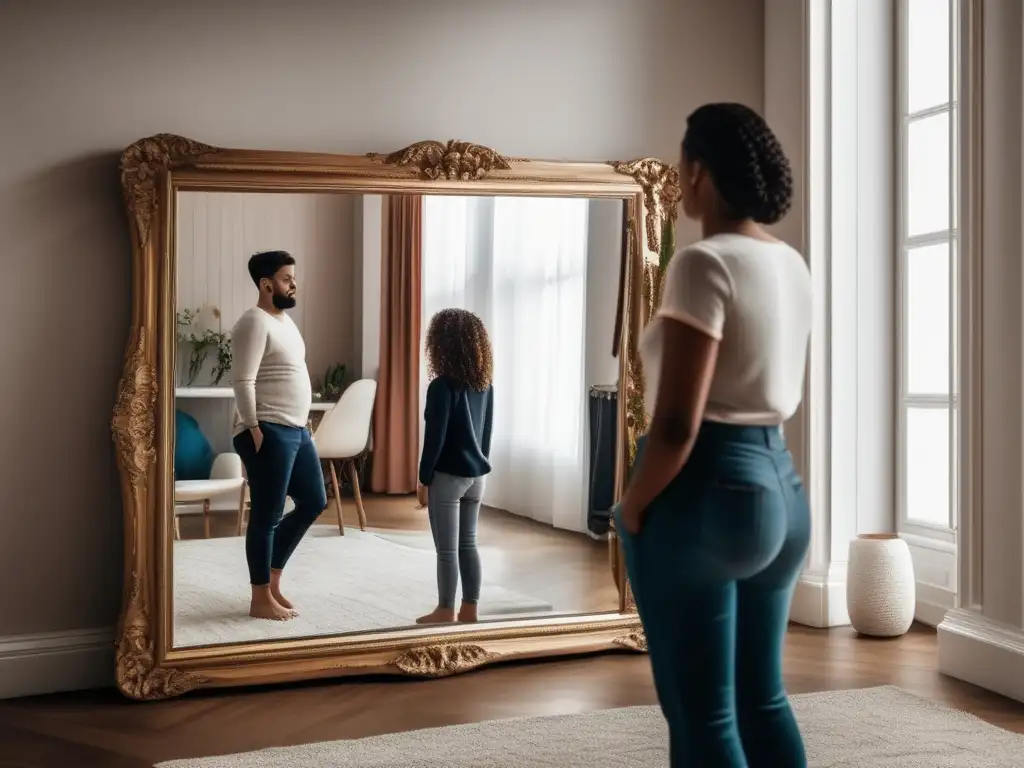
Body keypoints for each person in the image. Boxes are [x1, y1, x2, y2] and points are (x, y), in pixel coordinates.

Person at [613, 103, 813, 767]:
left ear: (698, 171)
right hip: (782, 493)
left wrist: (633, 504)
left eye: (682, 159)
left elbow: (675, 423)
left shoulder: (702, 264)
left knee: (703, 716)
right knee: (764, 699)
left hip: (706, 493)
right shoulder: (790, 262)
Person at [230, 250, 327, 622]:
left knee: (314, 501)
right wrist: (253, 427)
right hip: (267, 428)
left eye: (293, 278)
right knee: (267, 515)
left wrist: (304, 423)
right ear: (266, 284)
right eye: (287, 279)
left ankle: (272, 582)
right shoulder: (253, 322)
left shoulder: (285, 322)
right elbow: (243, 379)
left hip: (297, 430)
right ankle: (259, 598)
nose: (294, 284)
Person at [415, 308, 495, 625]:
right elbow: (486, 433)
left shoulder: (441, 387)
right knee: (468, 544)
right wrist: (480, 466)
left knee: (447, 550)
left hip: (448, 477)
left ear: (441, 344)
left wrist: (423, 480)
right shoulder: (485, 386)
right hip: (477, 476)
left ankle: (445, 610)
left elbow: (434, 438)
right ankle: (470, 610)